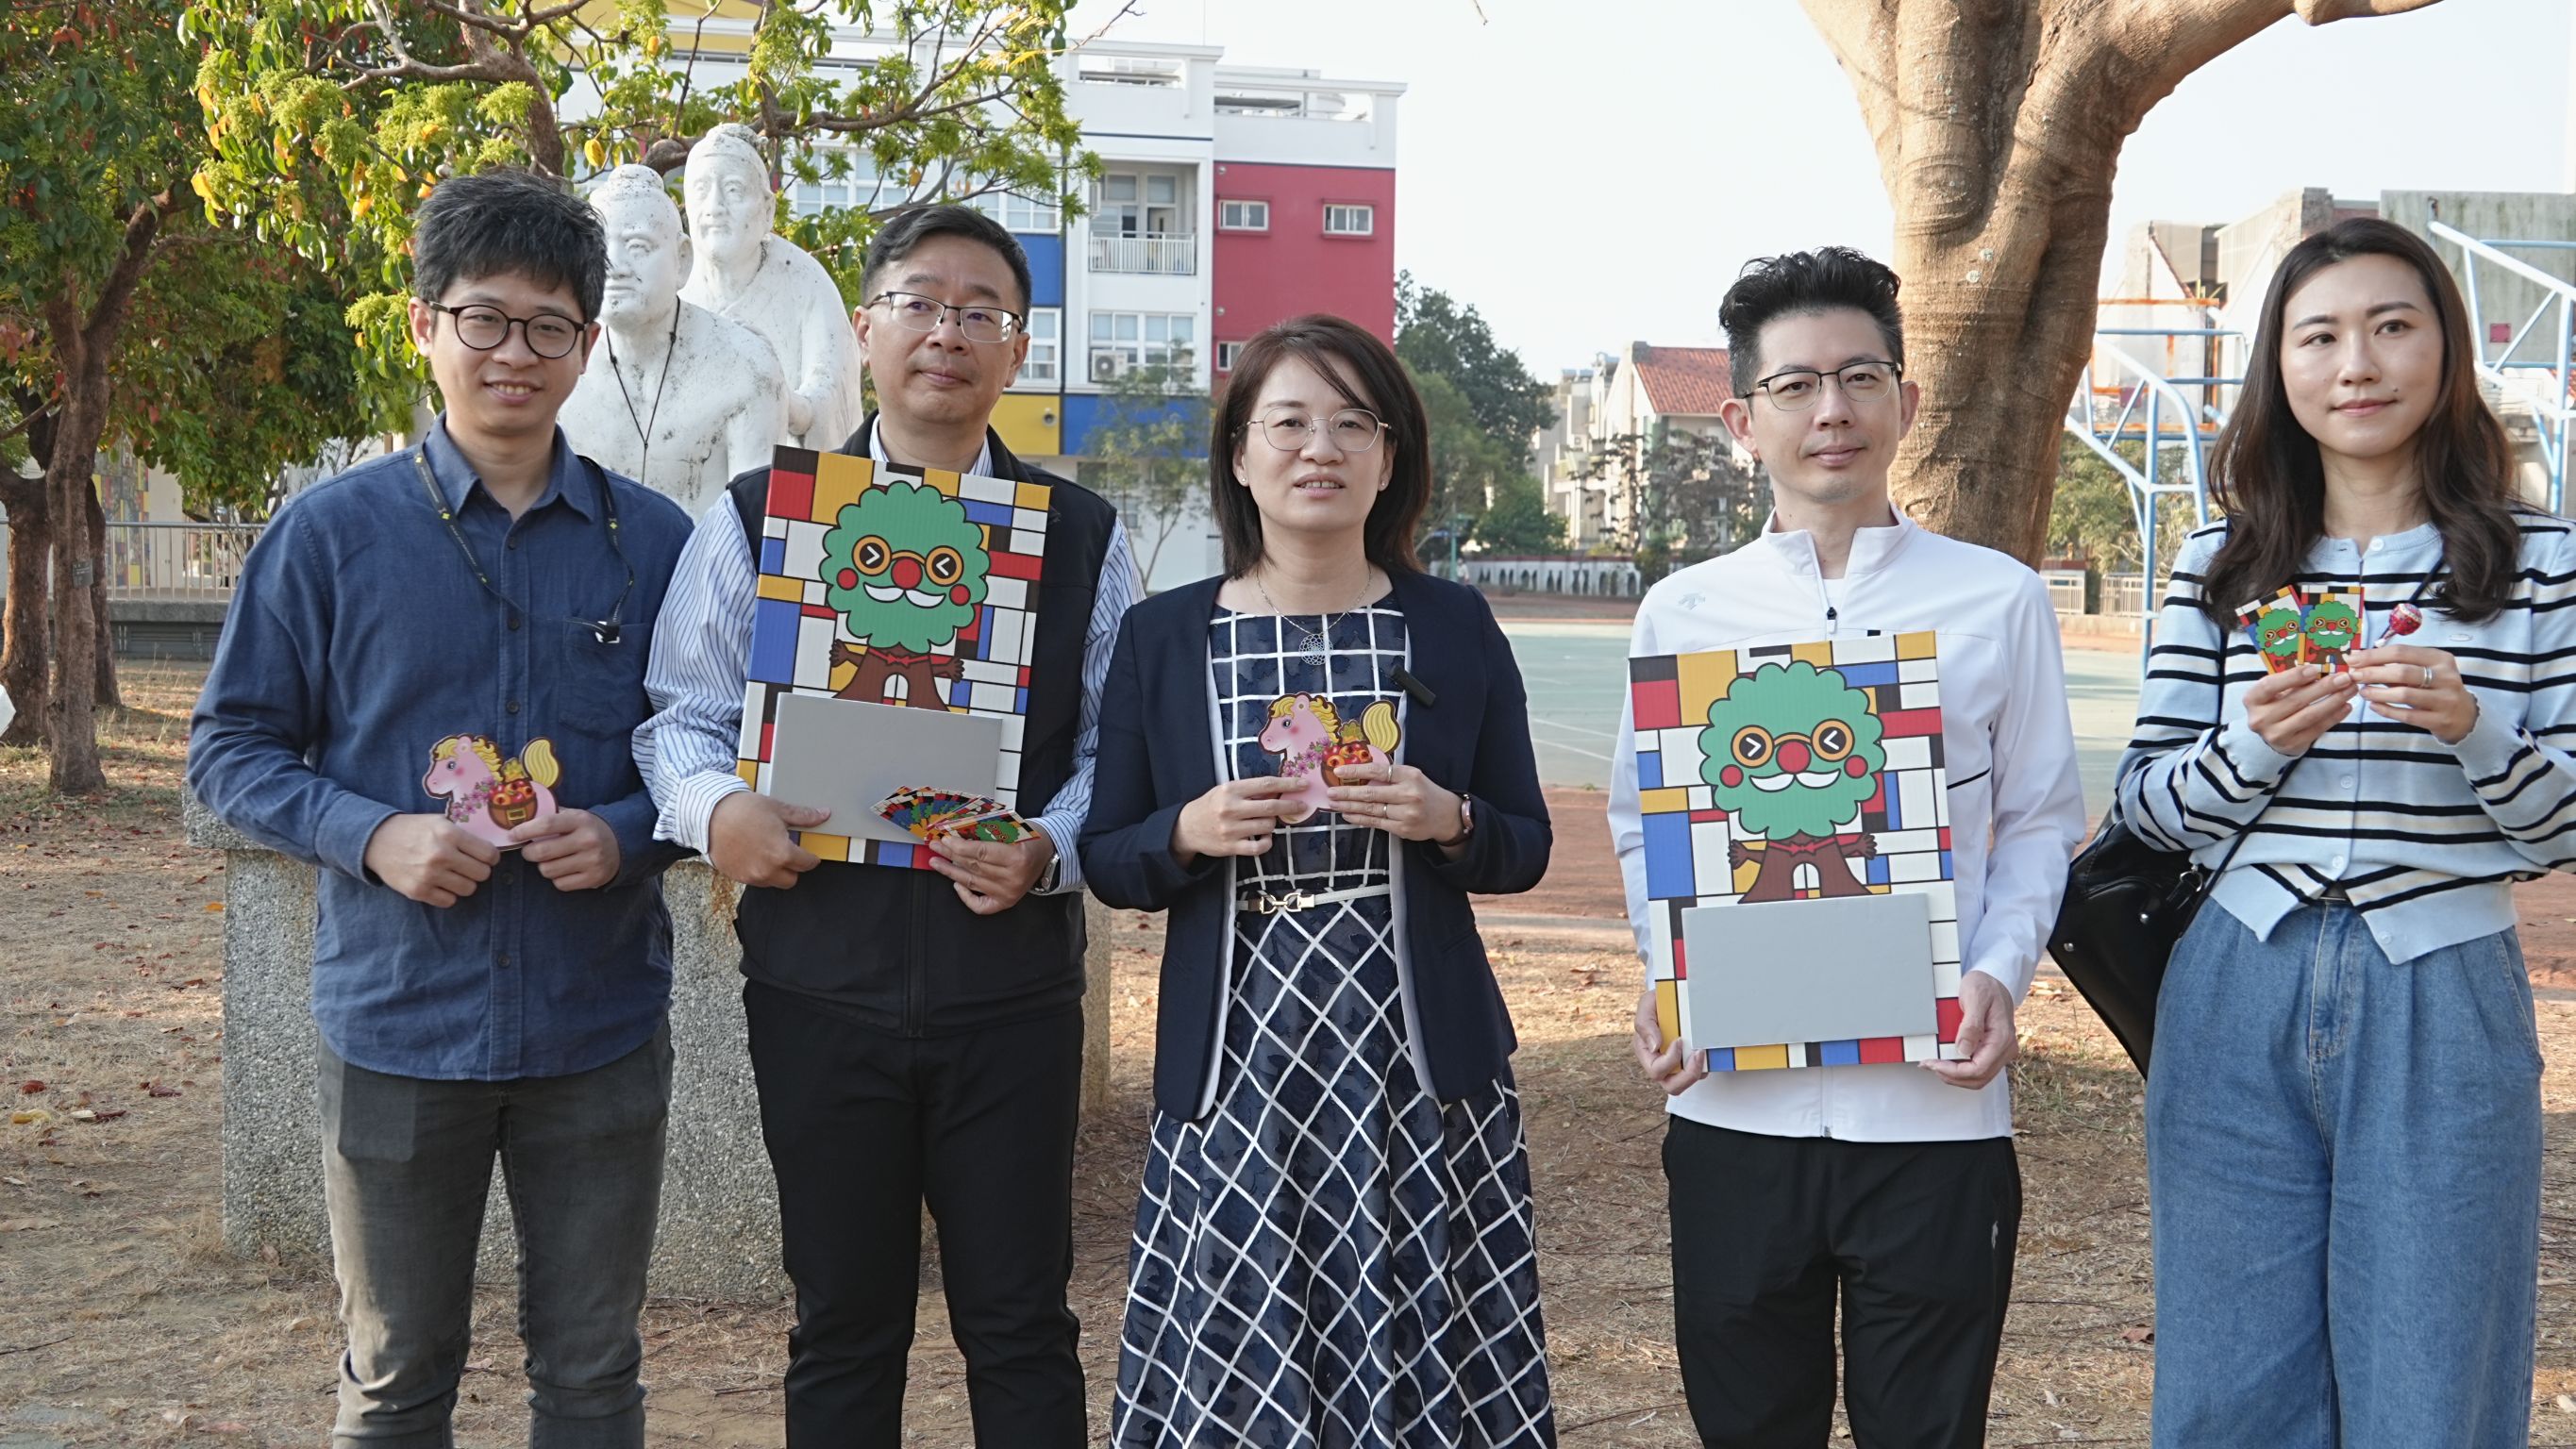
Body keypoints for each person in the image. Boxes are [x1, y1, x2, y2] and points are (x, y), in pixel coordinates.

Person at [187, 169, 696, 1448]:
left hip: (596, 1025)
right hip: (399, 1026)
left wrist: (630, 832)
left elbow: (714, 750)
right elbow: (229, 748)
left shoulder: (660, 544)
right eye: (483, 318)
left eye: (547, 325)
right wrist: (372, 834)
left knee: (592, 1374)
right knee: (395, 1375)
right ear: (425, 325)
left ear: (587, 343)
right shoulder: (326, 538)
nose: (513, 353)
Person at [634, 202, 1140, 1447]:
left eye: (981, 312)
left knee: (1020, 1324)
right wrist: (717, 811)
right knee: (843, 1325)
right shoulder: (762, 517)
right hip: (820, 990)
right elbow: (680, 720)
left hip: (1010, 1000)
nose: (946, 333)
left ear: (1019, 350)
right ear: (864, 330)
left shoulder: (1082, 538)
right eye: (919, 303)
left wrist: (1048, 849)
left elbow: (1114, 754)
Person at [1610, 247, 2086, 1447]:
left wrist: (1998, 974)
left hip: (1935, 1114)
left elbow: (2040, 819)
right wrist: (1669, 974)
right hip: (1736, 1112)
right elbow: (1643, 823)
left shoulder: (1997, 598)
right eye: (1796, 385)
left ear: (1905, 401)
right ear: (1743, 421)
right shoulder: (1684, 612)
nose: (1832, 410)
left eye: (1860, 376)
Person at [2116, 216, 2561, 1447]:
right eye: (2318, 336)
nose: (2355, 363)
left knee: (2432, 1375)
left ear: (2445, 349)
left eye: (2391, 326)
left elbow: (2564, 827)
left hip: (2444, 982)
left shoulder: (2538, 562)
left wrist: (2473, 727)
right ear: (2280, 366)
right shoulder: (2222, 562)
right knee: (2228, 1384)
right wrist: (2253, 747)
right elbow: (2144, 804)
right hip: (2235, 975)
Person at [1079, 313, 1559, 1447]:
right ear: (1241, 454)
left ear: (1390, 460)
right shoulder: (1164, 636)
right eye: (1288, 422)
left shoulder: (1451, 624)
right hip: (1238, 1051)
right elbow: (1107, 856)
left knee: (1418, 1325)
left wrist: (1450, 820)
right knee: (1242, 1331)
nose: (1320, 449)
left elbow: (1526, 840)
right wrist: (1187, 830)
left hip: (1413, 1054)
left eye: (1354, 424)